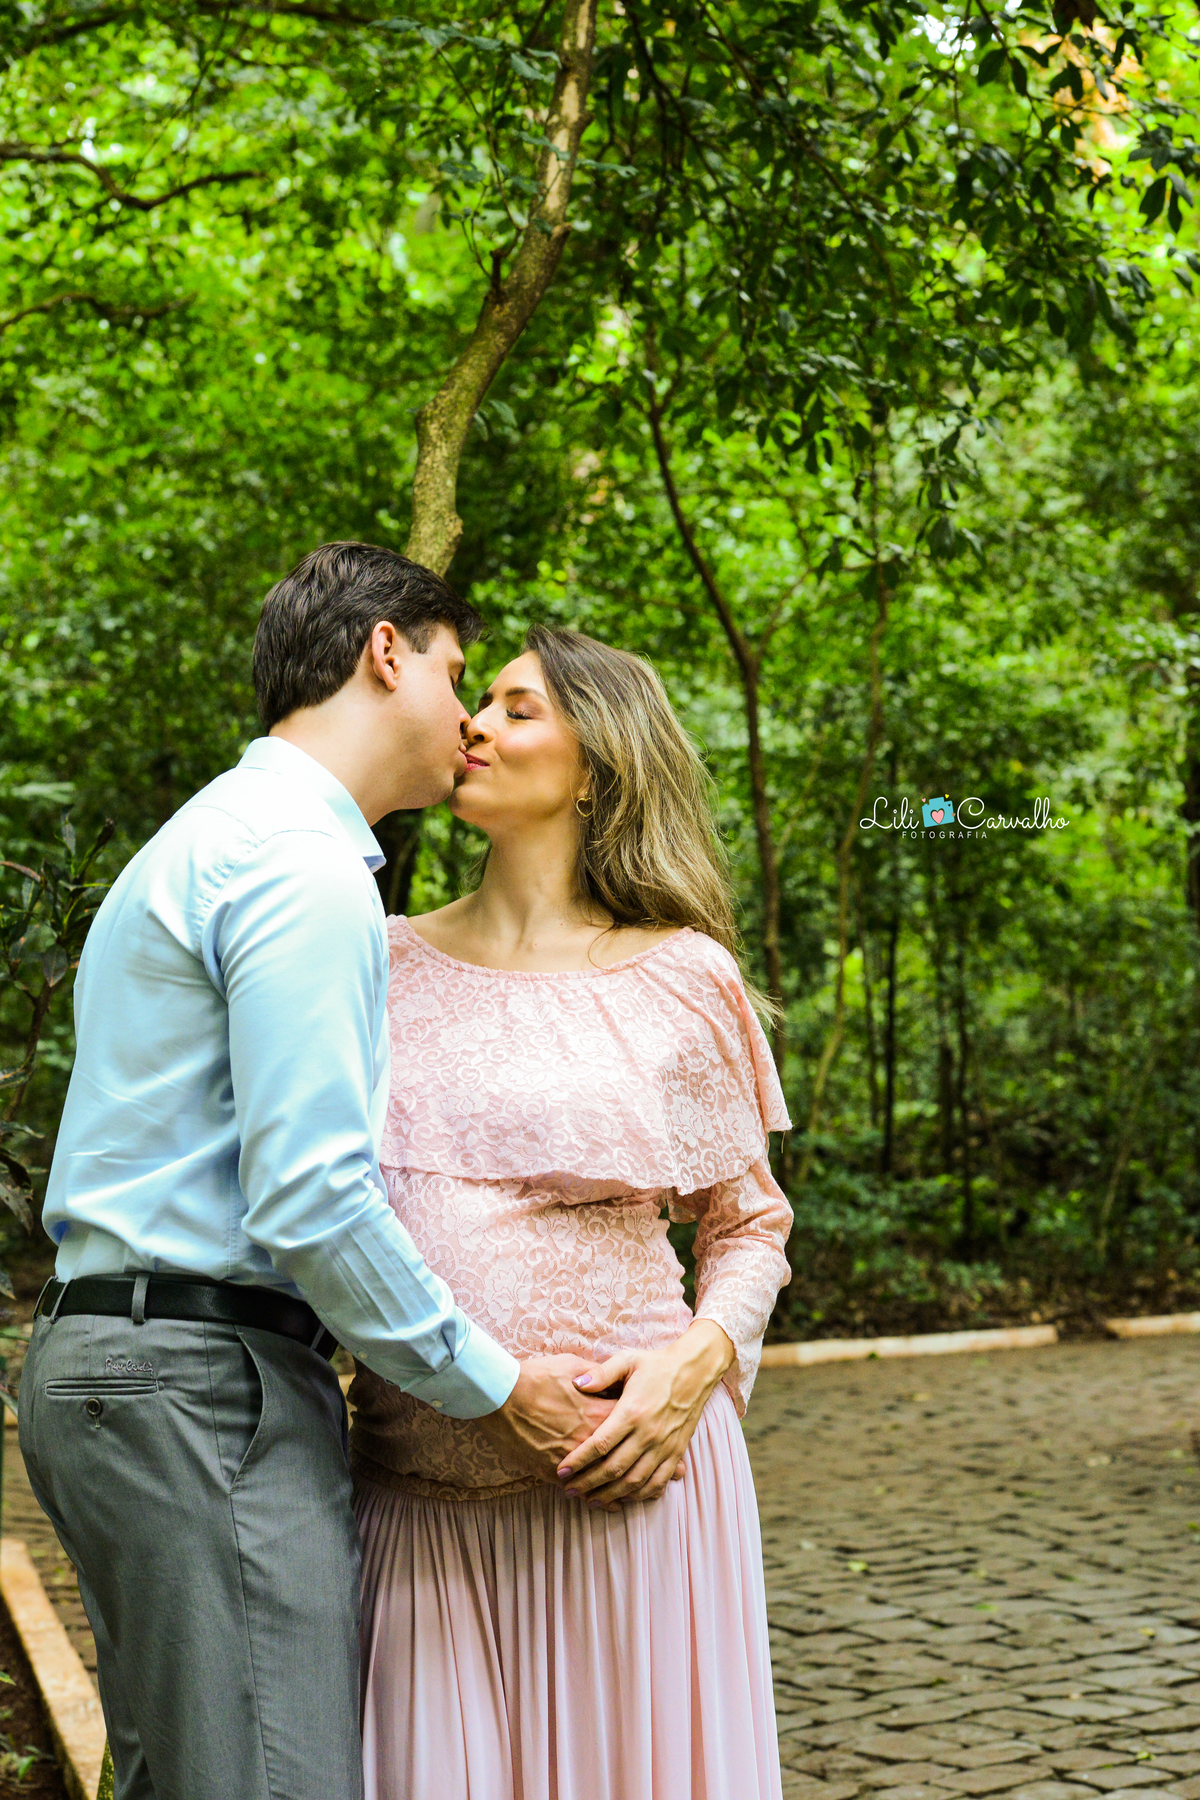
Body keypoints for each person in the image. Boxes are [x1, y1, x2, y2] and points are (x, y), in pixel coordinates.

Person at [19, 546, 614, 1800]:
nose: (465, 719)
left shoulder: (224, 834)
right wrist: (500, 1385)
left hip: (139, 1365)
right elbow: (311, 1195)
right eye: (458, 674)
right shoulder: (299, 864)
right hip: (199, 1385)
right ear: (384, 651)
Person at [352, 624, 793, 1800]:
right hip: (420, 1504)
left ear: (597, 764)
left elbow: (748, 1225)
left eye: (518, 708)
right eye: (478, 704)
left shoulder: (680, 974)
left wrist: (702, 1362)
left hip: (635, 1499)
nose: (476, 727)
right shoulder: (376, 961)